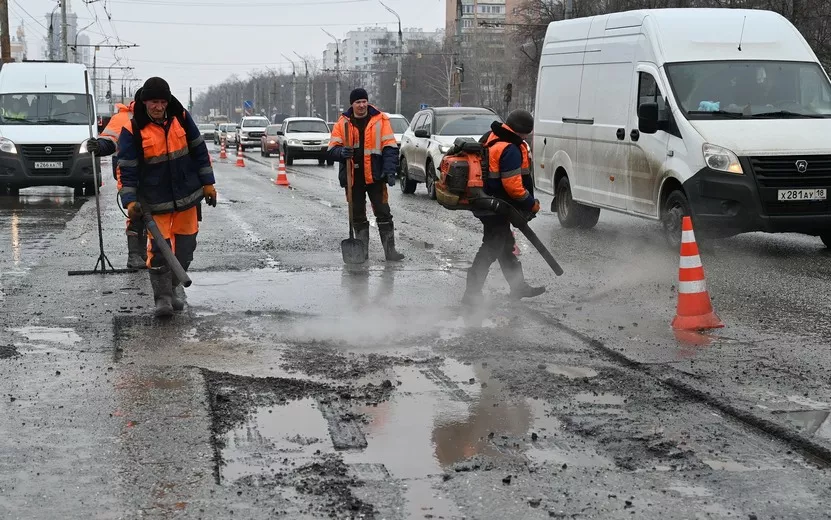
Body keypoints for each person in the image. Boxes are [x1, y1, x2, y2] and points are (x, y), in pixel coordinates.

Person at [117, 77, 216, 318]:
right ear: (145, 102)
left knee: (185, 248)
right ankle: (162, 298)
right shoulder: (132, 129)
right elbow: (127, 168)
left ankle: (172, 289)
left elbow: (199, 151)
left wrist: (209, 184)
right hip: (154, 200)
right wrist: (130, 201)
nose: (158, 107)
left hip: (187, 196)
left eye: (162, 102)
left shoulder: (181, 118)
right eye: (153, 102)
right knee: (160, 250)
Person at [463, 109, 544, 305]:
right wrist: (531, 205)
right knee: (491, 247)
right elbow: (513, 187)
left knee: (505, 246)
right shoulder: (510, 149)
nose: (527, 137)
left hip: (486, 201)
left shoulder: (492, 136)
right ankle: (471, 294)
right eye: (526, 133)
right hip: (497, 206)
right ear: (521, 131)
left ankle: (518, 287)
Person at [327, 88, 404, 262]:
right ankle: (362, 252)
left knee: (383, 212)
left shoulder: (380, 120)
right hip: (353, 177)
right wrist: (342, 152)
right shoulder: (343, 122)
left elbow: (390, 147)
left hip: (375, 175)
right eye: (358, 102)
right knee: (358, 214)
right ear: (352, 104)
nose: (362, 105)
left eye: (364, 101)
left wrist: (390, 170)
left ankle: (390, 251)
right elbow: (331, 150)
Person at [85, 93, 145, 268]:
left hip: (154, 173)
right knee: (137, 212)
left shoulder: (159, 116)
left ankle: (144, 255)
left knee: (153, 215)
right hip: (128, 172)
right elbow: (109, 141)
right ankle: (135, 256)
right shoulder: (123, 118)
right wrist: (98, 146)